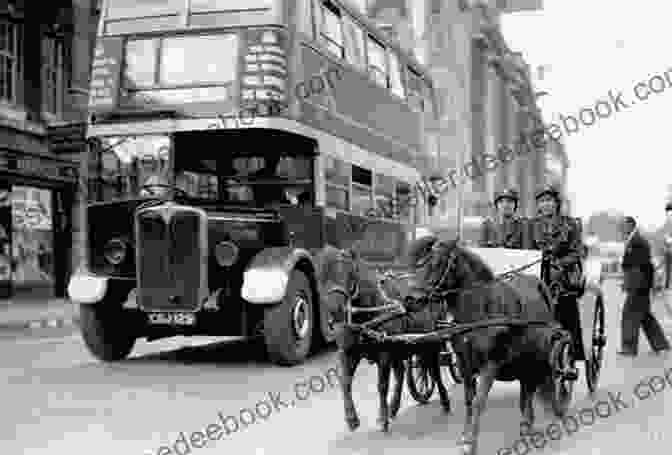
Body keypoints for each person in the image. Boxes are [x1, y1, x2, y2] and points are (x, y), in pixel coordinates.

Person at [528, 184, 585, 360]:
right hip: (537, 271)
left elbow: (577, 252)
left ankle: (571, 351)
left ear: (556, 203)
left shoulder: (570, 224)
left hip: (562, 274)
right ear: (538, 205)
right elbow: (525, 250)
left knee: (566, 307)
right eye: (542, 201)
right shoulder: (531, 225)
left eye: (549, 201)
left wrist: (560, 263)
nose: (546, 205)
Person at [618, 216, 670, 356]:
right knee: (645, 315)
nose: (622, 229)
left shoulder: (637, 241)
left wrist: (632, 284)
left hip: (639, 285)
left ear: (630, 225)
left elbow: (639, 266)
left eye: (624, 226)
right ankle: (661, 344)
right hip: (641, 284)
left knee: (629, 315)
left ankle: (629, 348)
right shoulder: (635, 240)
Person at [663, 202, 672, 289]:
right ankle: (667, 284)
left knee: (668, 268)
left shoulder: (668, 220)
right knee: (668, 268)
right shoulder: (667, 221)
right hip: (668, 249)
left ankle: (667, 284)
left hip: (668, 249)